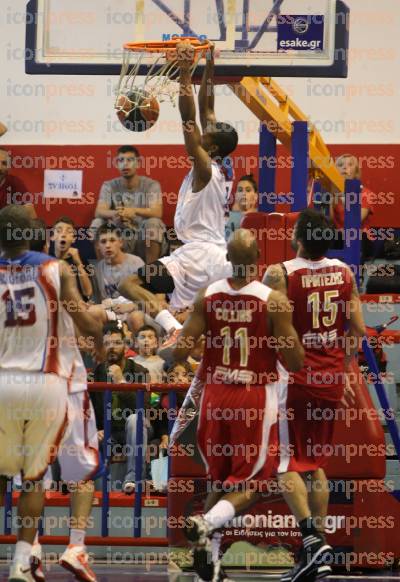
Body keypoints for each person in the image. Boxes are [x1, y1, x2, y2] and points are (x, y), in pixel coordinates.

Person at [172, 229, 305, 582]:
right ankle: (206, 522)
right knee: (254, 483)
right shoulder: (272, 300)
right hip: (252, 397)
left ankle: (211, 559)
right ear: (259, 256)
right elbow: (294, 361)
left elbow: (180, 351)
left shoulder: (208, 295)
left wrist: (165, 341)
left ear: (228, 259)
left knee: (219, 477)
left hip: (215, 396)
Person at [263, 208, 366, 581]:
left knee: (284, 464)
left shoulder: (280, 272)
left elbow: (267, 326)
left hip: (295, 379)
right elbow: (357, 329)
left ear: (300, 239)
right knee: (315, 464)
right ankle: (318, 553)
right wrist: (347, 370)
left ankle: (309, 539)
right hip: (332, 379)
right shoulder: (346, 272)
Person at [0, 205, 102, 582]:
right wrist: (101, 334)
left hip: (5, 383)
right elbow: (85, 318)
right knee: (77, 475)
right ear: (38, 237)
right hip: (57, 383)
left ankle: (32, 551)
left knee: (23, 477)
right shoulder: (55, 270)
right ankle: (71, 547)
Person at [118, 42, 238, 354]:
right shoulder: (222, 162)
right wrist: (208, 66)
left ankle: (174, 330)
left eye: (205, 137)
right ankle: (179, 335)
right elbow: (207, 109)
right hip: (210, 253)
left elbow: (189, 120)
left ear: (209, 148)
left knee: (128, 285)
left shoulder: (204, 168)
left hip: (198, 256)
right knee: (212, 337)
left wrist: (186, 72)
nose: (201, 135)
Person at [91, 322, 150, 495]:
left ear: (125, 346)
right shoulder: (97, 373)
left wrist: (121, 382)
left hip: (134, 427)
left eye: (116, 343)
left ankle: (133, 478)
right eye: (107, 343)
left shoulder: (140, 371)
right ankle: (67, 484)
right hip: (109, 432)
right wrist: (95, 429)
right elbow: (91, 409)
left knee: (134, 419)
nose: (112, 347)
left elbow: (144, 409)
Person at [92, 145, 166, 262]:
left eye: (130, 160)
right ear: (116, 164)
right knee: (97, 223)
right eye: (121, 160)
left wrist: (134, 211)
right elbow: (99, 211)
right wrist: (116, 214)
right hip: (118, 238)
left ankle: (151, 274)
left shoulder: (151, 185)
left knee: (153, 223)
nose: (125, 164)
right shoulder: (109, 185)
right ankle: (103, 270)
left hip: (141, 239)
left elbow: (157, 212)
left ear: (138, 163)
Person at [89, 223, 145, 330]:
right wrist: (88, 305)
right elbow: (97, 301)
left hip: (133, 307)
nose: (108, 245)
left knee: (135, 317)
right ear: (97, 246)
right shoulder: (97, 269)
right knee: (91, 312)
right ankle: (101, 345)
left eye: (112, 240)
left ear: (120, 242)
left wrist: (131, 307)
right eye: (103, 242)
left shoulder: (136, 263)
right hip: (112, 309)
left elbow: (151, 297)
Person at [51, 215, 93, 300]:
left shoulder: (80, 260)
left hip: (79, 307)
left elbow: (88, 292)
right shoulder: (47, 261)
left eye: (68, 231)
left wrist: (78, 264)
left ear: (73, 238)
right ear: (52, 237)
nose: (63, 234)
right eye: (59, 231)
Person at [0, 148, 36, 217]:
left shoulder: (14, 182)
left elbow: (30, 211)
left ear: (9, 168)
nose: (0, 168)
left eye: (4, 163)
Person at [225, 174, 258, 240]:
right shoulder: (226, 219)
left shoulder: (261, 217)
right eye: (240, 190)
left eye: (248, 190)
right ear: (236, 196)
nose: (244, 193)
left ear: (255, 196)